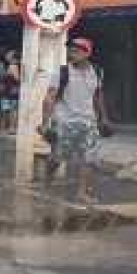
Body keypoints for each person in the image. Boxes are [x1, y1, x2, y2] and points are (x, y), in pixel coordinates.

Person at [39, 37, 109, 203]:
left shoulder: (97, 71)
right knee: (57, 157)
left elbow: (98, 95)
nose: (72, 53)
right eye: (71, 50)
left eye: (76, 50)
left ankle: (82, 192)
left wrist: (104, 117)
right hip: (65, 122)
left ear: (87, 53)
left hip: (89, 122)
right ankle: (47, 181)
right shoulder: (63, 72)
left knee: (89, 158)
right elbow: (49, 98)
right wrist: (45, 123)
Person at [0, 50, 21, 133]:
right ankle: (8, 127)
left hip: (11, 90)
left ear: (12, 57)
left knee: (12, 109)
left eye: (8, 54)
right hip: (9, 90)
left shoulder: (13, 66)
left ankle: (12, 127)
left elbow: (17, 78)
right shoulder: (12, 65)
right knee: (8, 109)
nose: (6, 55)